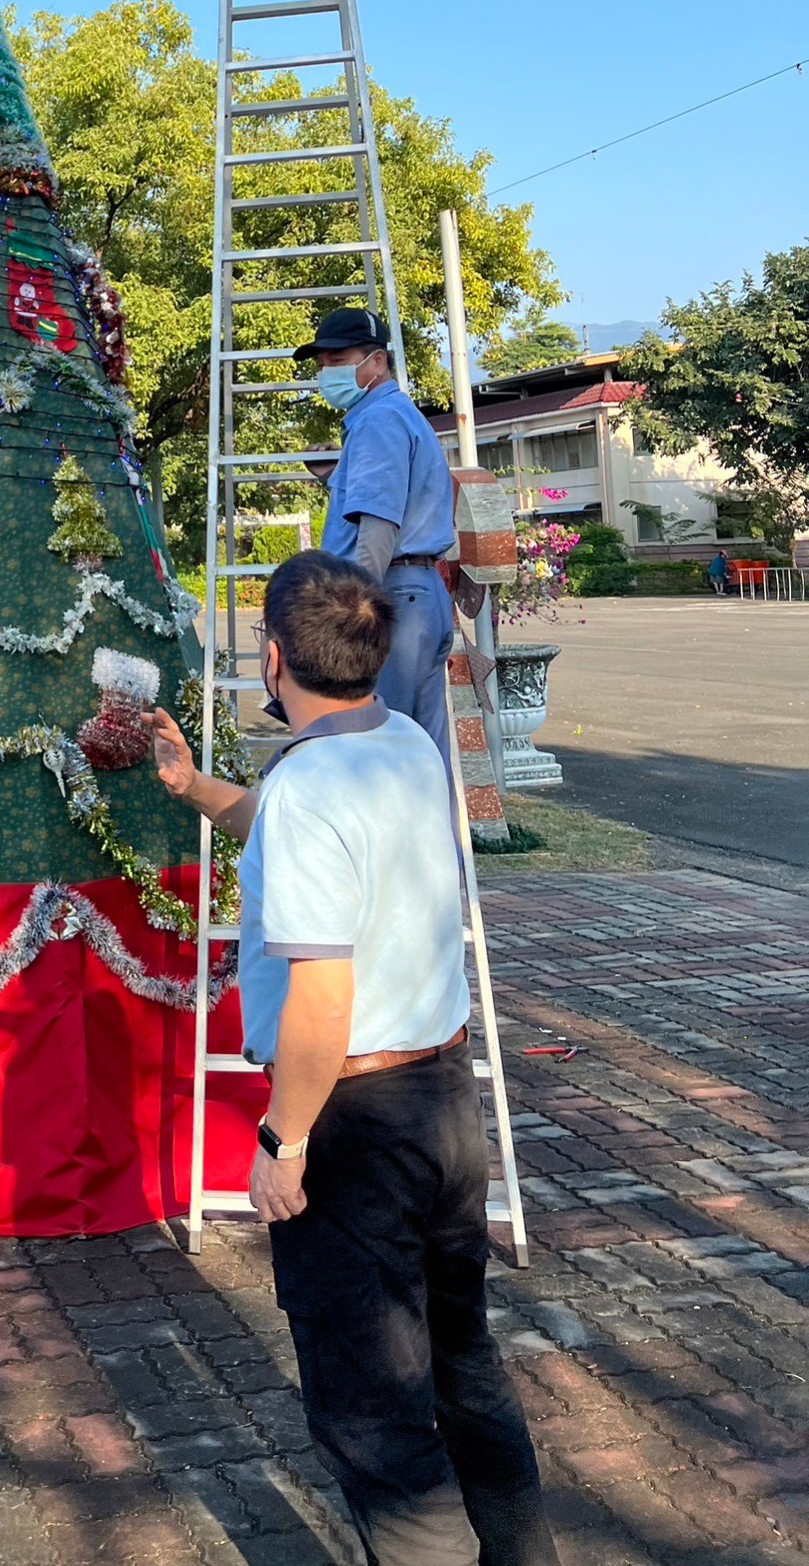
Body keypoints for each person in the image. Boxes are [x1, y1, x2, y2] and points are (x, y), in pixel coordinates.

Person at [152, 552, 558, 1566]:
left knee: (376, 1419)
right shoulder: (408, 744)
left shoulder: (311, 787)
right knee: (463, 1367)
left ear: (273, 656)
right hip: (440, 1108)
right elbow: (306, 842)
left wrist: (281, 1141)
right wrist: (196, 787)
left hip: (357, 1123)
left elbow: (321, 1000)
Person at [299, 306, 458, 763]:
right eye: (322, 364)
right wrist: (336, 476)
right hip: (420, 596)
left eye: (338, 360)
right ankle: (436, 837)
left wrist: (353, 617)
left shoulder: (376, 422)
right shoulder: (398, 415)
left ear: (377, 362)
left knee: (384, 755)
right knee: (423, 755)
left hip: (394, 598)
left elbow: (378, 532)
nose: (327, 372)